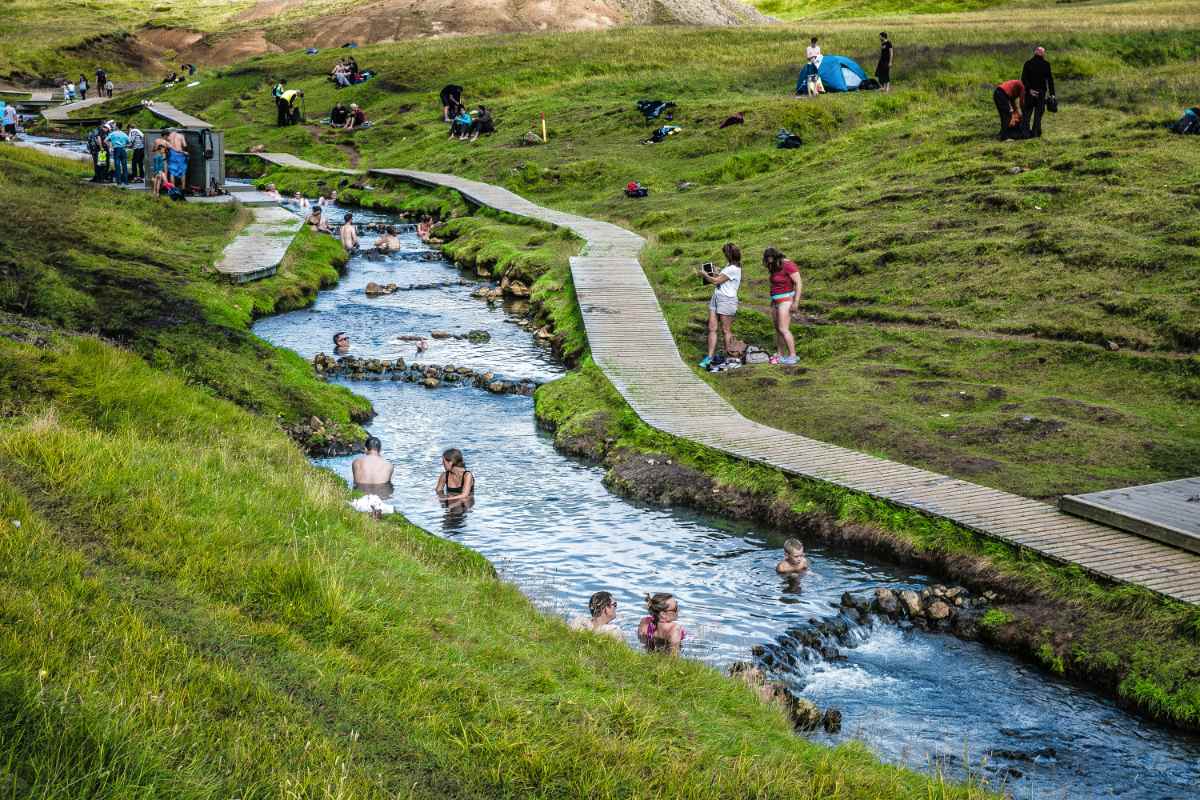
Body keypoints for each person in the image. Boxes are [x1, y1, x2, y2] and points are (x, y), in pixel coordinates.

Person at [698, 243, 742, 370]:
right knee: (712, 328)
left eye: (725, 254)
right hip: (717, 298)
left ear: (729, 254)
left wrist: (705, 275)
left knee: (726, 330)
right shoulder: (729, 266)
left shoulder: (734, 268)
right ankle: (709, 357)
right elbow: (722, 279)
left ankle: (730, 357)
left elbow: (716, 281)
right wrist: (717, 272)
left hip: (727, 300)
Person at [764, 247, 801, 365]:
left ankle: (793, 355)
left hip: (786, 301)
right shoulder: (774, 266)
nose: (769, 262)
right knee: (778, 329)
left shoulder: (788, 264)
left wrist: (796, 302)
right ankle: (780, 354)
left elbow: (798, 283)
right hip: (775, 301)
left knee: (783, 329)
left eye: (770, 260)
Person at [1020, 46, 1055, 138]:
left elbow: (1023, 79)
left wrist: (1029, 90)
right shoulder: (1046, 64)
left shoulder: (1028, 63)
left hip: (1030, 92)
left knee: (1027, 114)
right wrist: (1052, 94)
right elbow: (1050, 80)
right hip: (1041, 92)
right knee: (1038, 114)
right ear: (1043, 54)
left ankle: (1025, 134)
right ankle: (1035, 133)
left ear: (1035, 53)